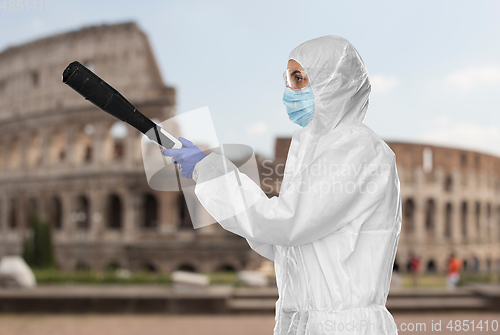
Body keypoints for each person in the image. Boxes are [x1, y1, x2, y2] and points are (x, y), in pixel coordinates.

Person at [163, 35, 402, 335]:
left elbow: (288, 222)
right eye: (288, 81)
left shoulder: (358, 148)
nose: (290, 91)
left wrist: (208, 171)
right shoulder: (313, 147)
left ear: (334, 83)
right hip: (309, 323)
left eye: (299, 78)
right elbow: (287, 245)